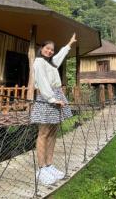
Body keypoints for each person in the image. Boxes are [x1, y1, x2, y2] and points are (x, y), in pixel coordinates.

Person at [30, 33, 77, 185]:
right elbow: (42, 82)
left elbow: (59, 57)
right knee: (43, 133)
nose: (50, 51)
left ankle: (49, 165)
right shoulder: (38, 62)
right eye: (47, 48)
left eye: (52, 50)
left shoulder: (50, 63)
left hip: (56, 95)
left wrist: (69, 44)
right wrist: (52, 99)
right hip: (47, 97)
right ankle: (42, 169)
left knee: (53, 132)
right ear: (41, 48)